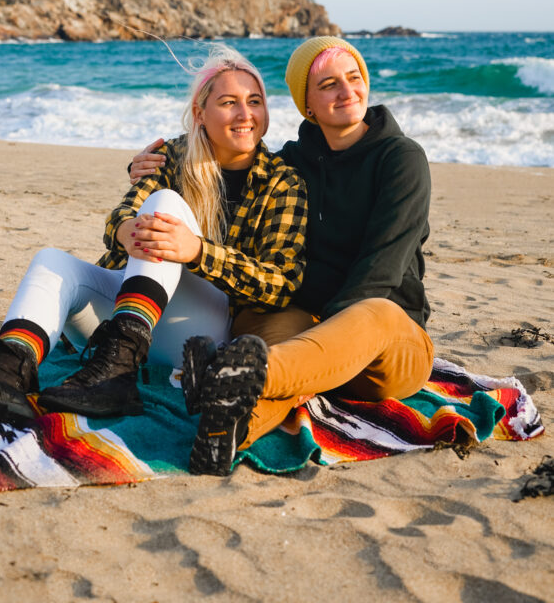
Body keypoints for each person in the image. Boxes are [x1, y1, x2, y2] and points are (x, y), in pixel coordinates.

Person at [0, 46, 308, 427]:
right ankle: (6, 372)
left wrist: (196, 251)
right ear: (199, 114)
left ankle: (117, 374)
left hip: (200, 332)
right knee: (53, 260)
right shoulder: (171, 156)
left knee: (166, 204)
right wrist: (124, 228)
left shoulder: (282, 182)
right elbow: (123, 213)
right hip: (128, 323)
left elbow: (281, 284)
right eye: (229, 102)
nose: (246, 114)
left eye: (255, 101)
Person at [128, 36, 434, 475]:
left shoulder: (401, 159)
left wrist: (327, 337)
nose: (347, 92)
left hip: (388, 341)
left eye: (354, 78)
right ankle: (228, 436)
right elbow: (223, 156)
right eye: (329, 84)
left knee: (373, 311)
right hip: (310, 333)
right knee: (258, 330)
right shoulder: (292, 163)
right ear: (305, 102)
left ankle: (226, 374)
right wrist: (150, 164)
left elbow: (382, 267)